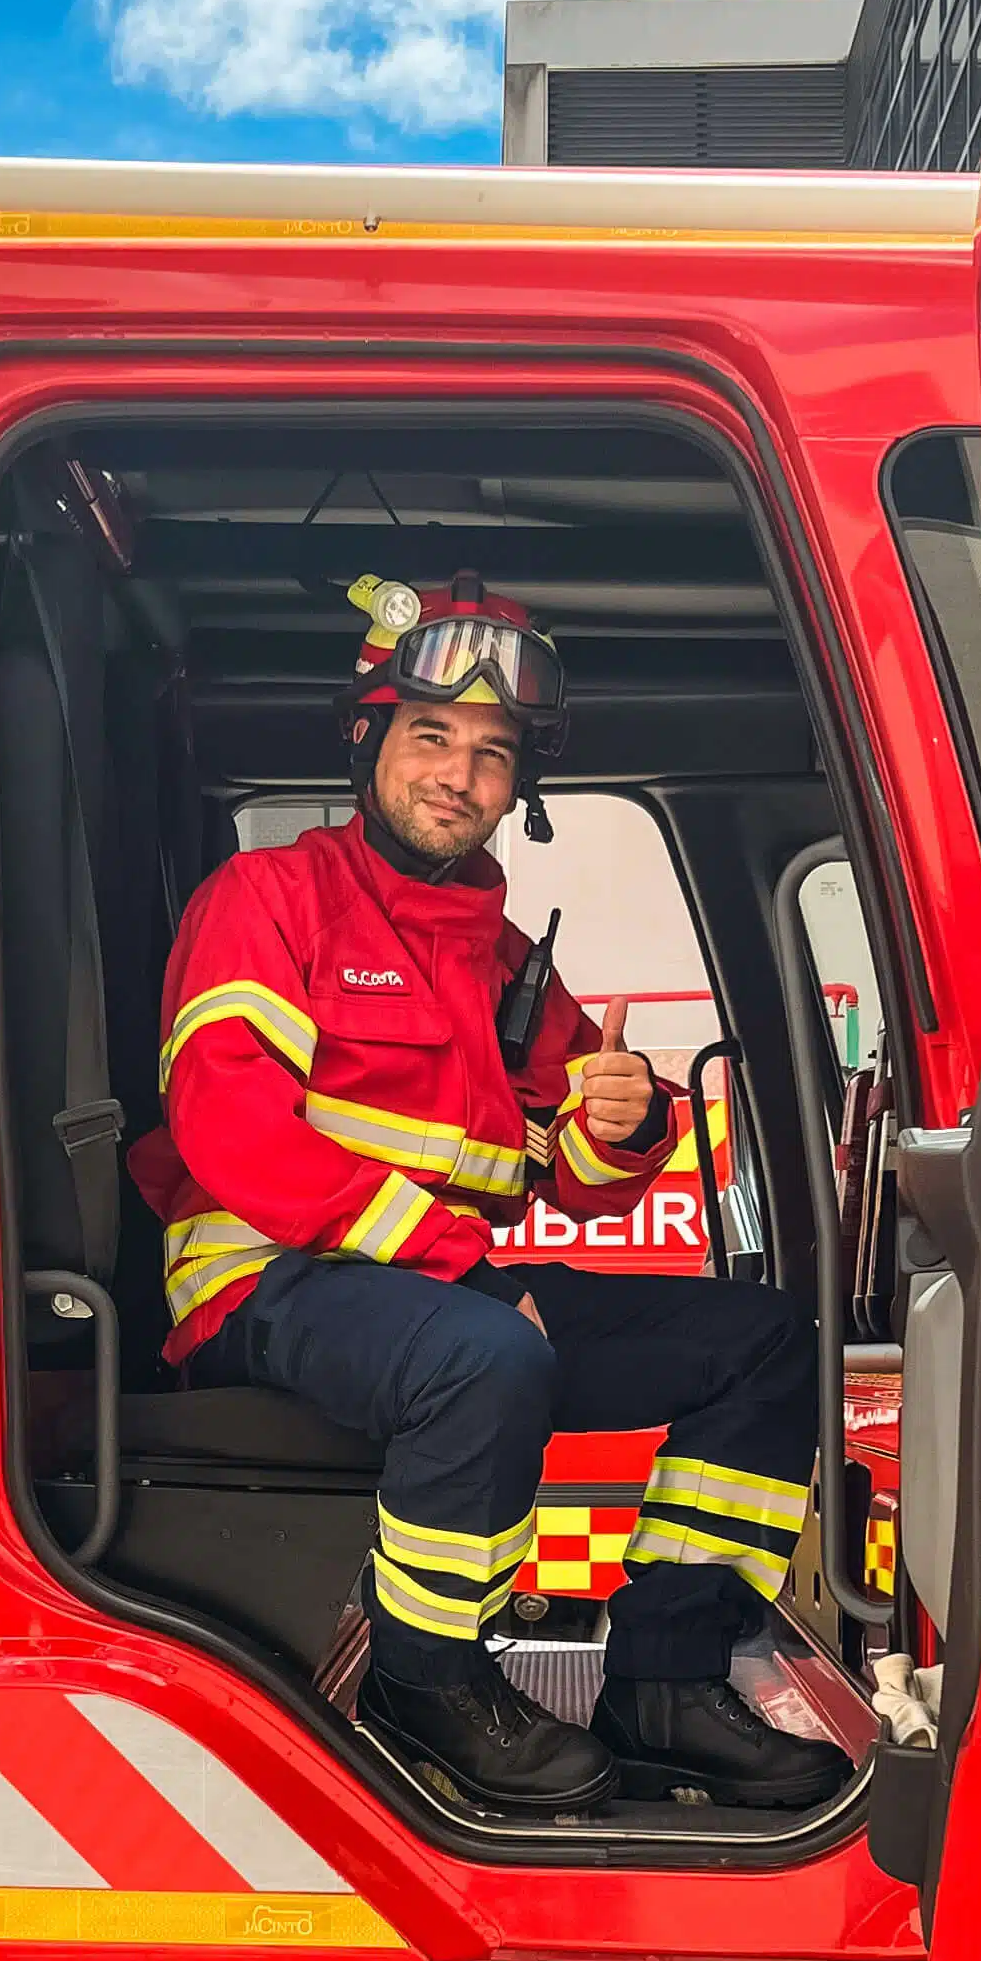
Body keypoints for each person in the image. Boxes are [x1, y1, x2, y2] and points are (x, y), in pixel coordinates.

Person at [126, 573, 853, 1818]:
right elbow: (230, 1130)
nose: (458, 776)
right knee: (484, 1359)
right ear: (368, 741)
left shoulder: (507, 964)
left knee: (769, 1341)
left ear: (521, 790)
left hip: (434, 1297)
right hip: (264, 1286)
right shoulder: (267, 903)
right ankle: (428, 1684)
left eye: (493, 755)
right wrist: (464, 1270)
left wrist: (625, 1125)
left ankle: (668, 1680)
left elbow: (573, 1184)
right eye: (431, 738)